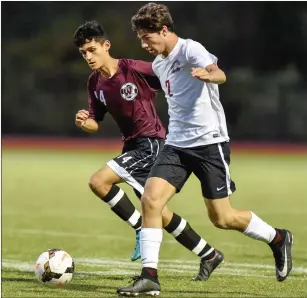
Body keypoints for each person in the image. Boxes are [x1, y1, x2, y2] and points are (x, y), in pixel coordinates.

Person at [117, 3, 293, 296]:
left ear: (164, 30)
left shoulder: (189, 50)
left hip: (210, 142)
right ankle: (149, 277)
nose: (144, 44)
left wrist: (211, 75)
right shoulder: (160, 64)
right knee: (150, 200)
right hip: (176, 144)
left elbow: (218, 72)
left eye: (148, 37)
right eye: (141, 39)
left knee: (222, 218)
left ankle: (277, 238)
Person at [73, 20, 224, 279]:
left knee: (99, 182)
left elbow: (170, 75)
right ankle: (208, 254)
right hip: (132, 145)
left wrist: (197, 80)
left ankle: (139, 228)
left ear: (106, 46)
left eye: (92, 49)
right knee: (160, 213)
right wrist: (84, 121)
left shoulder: (134, 68)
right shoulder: (94, 83)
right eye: (83, 53)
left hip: (152, 142)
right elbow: (95, 123)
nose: (88, 56)